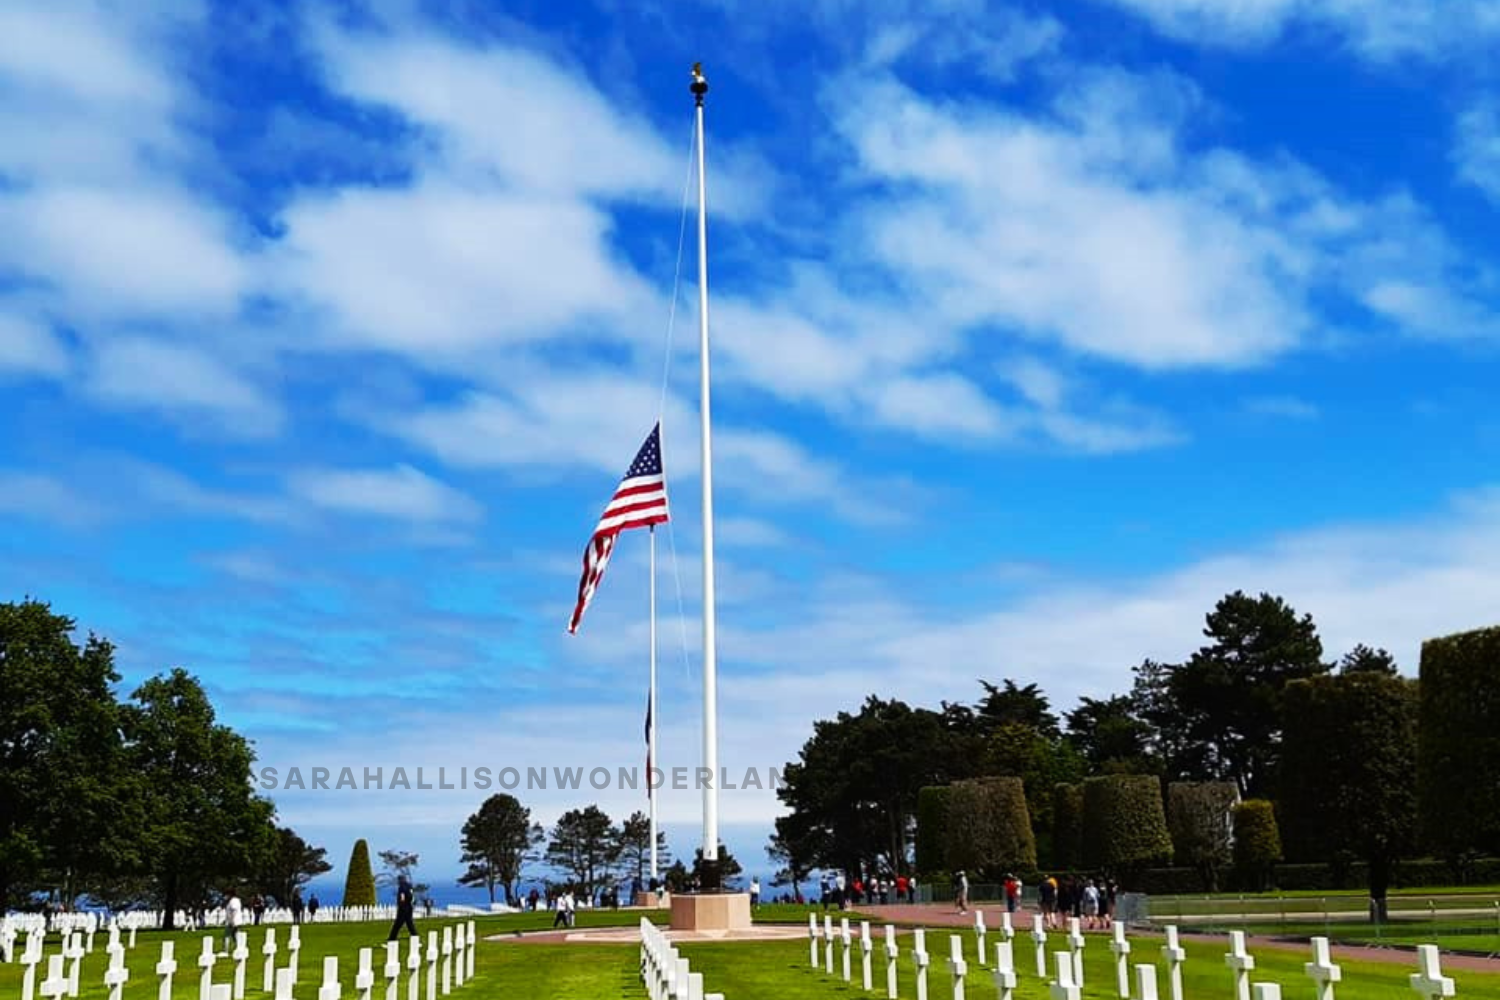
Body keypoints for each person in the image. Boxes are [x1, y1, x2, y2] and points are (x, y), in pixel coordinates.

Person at [387, 876, 418, 941]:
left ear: (400, 880)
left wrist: (400, 906)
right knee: (409, 923)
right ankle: (415, 936)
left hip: (403, 908)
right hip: (409, 907)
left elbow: (402, 898)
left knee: (397, 924)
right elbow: (412, 896)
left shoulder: (402, 887)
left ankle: (392, 938)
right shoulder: (409, 886)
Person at [222, 889, 242, 956]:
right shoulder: (235, 901)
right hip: (234, 921)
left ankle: (226, 950)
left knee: (226, 935)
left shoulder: (233, 901)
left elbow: (234, 910)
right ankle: (238, 947)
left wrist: (232, 921)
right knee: (235, 935)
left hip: (233, 921)